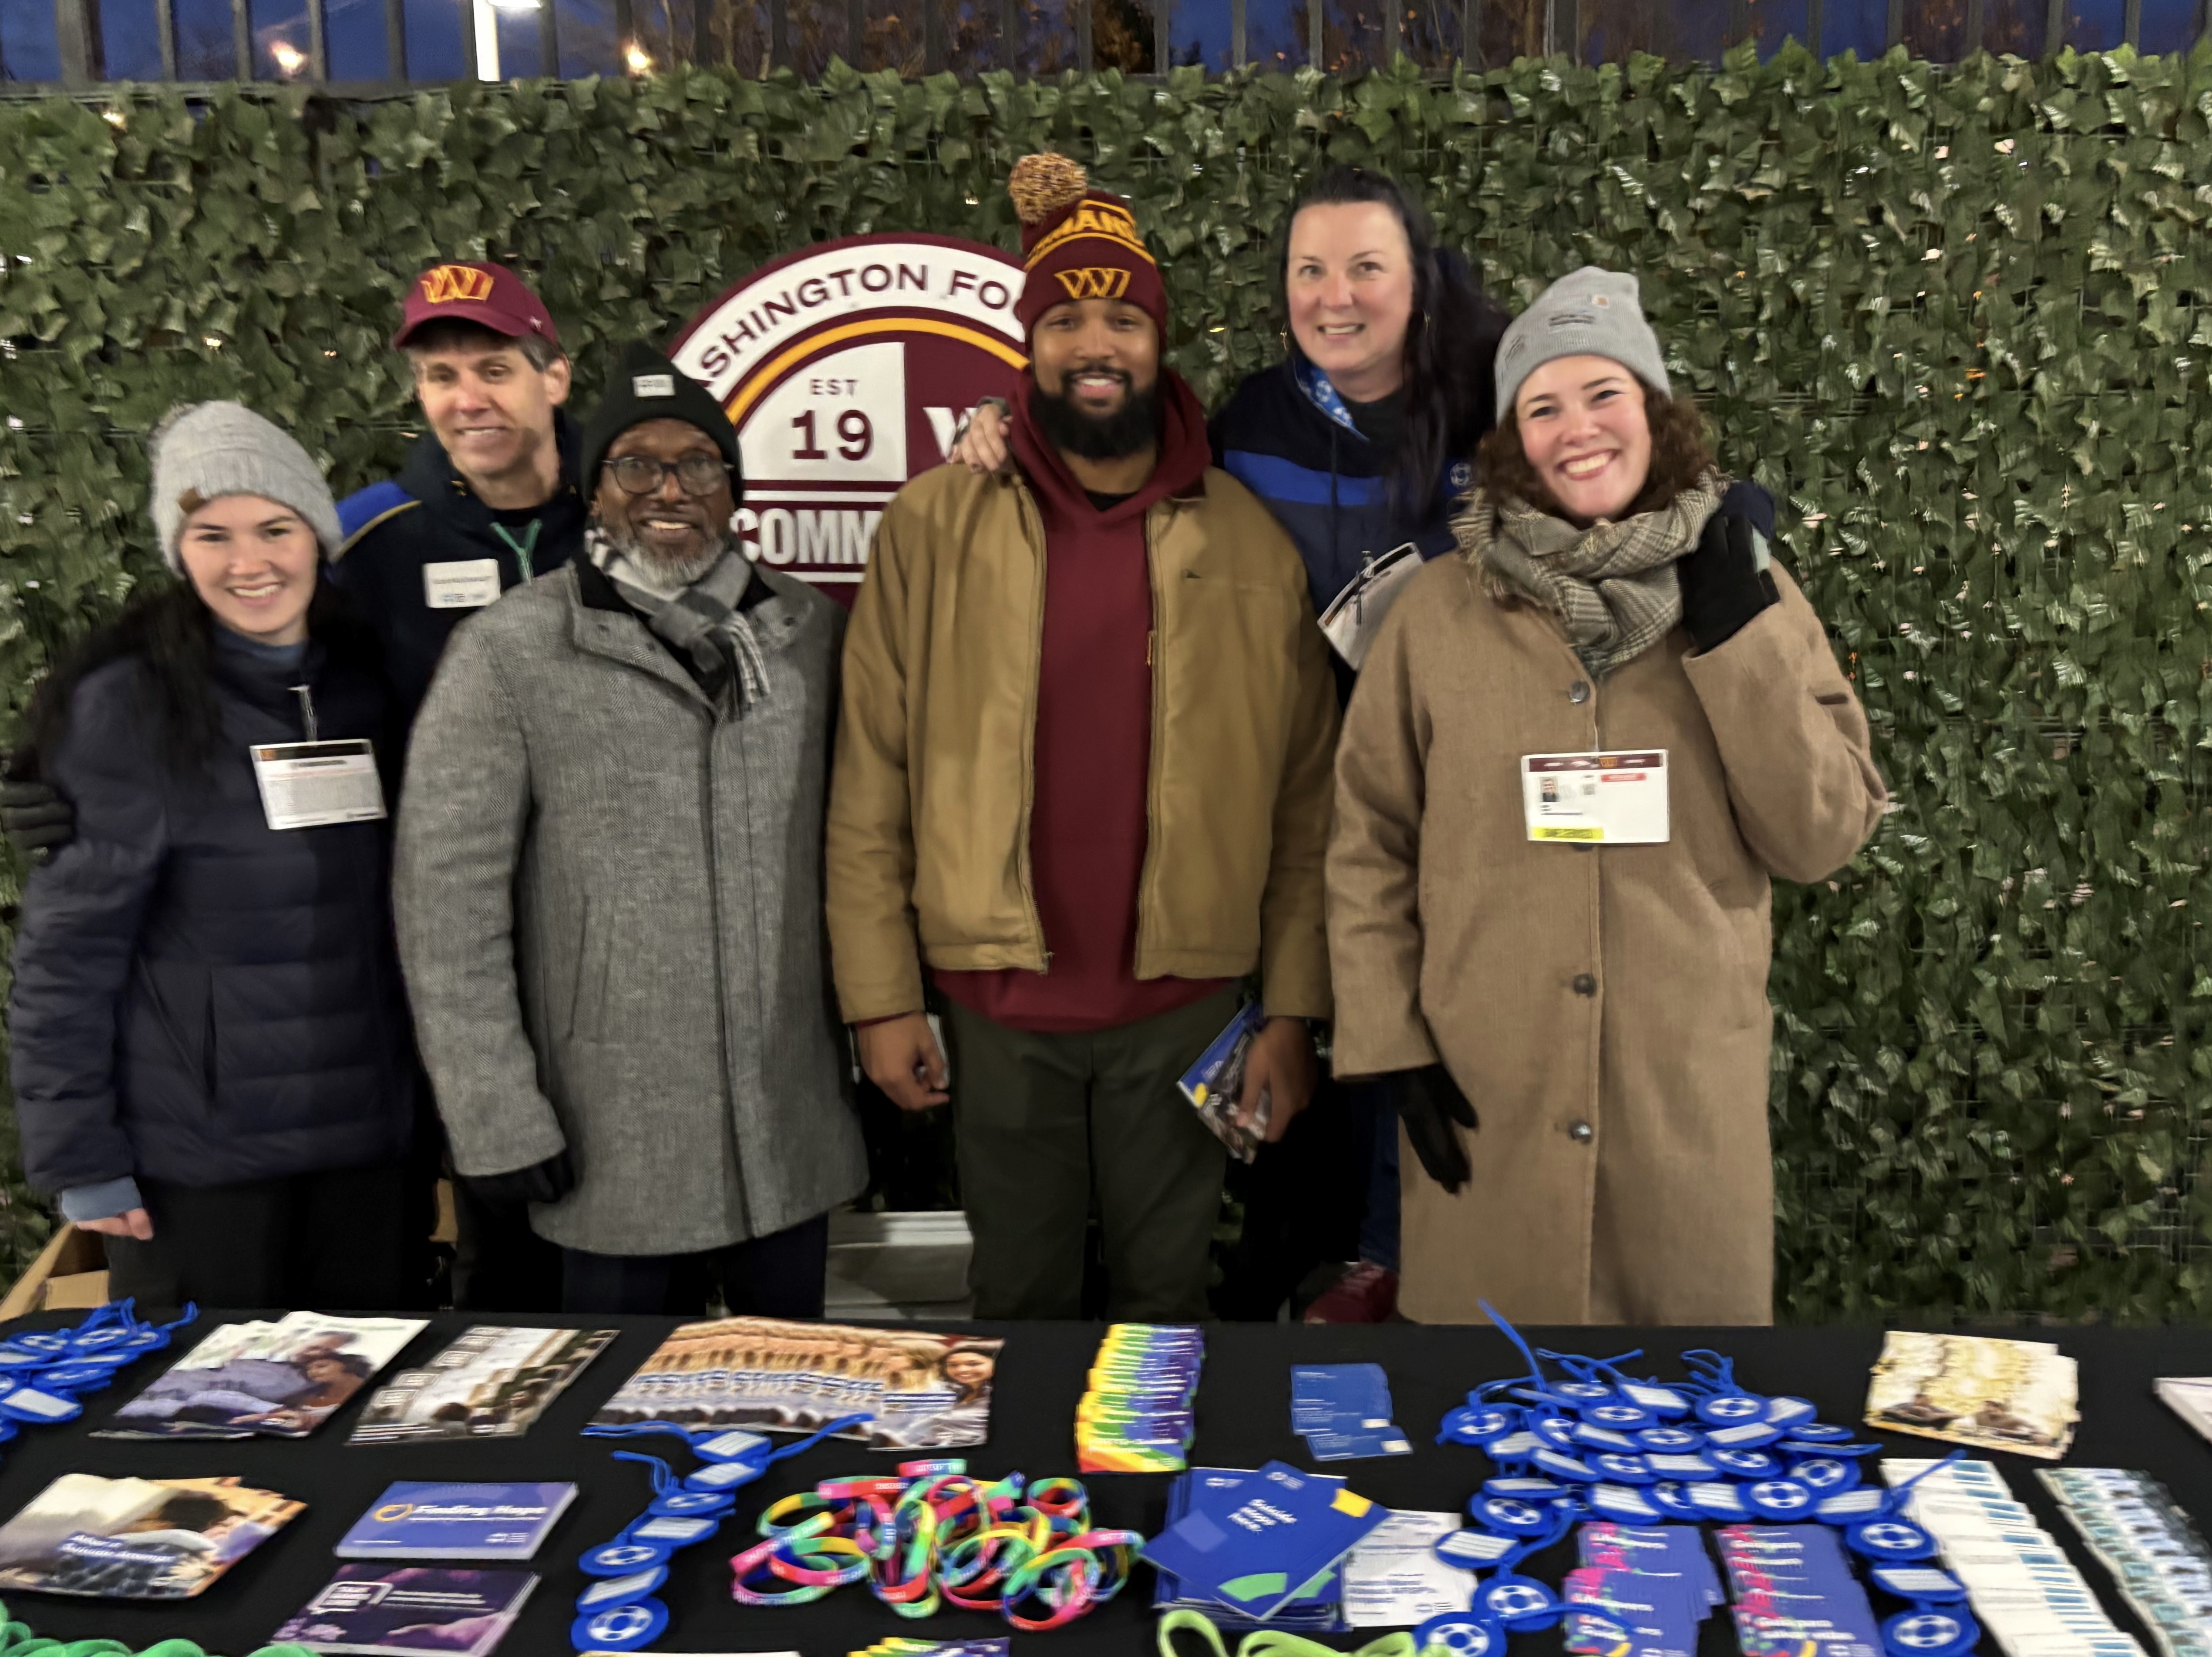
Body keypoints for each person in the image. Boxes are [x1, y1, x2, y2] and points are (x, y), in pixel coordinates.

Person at [946, 167, 1509, 1324]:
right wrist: (1000, 422)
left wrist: (1726, 518)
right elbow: (1116, 449)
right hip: (1306, 814)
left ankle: (1427, 1285)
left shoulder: (1491, 410)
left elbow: (1614, 459)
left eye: (1367, 267)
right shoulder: (1250, 425)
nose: (1335, 296)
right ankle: (1327, 1288)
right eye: (1310, 270)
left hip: (1468, 817)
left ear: (1420, 281)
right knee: (1313, 1074)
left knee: (1456, 1069)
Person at [827, 153, 1340, 1324]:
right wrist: (880, 999)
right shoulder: (933, 524)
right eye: (1063, 318)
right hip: (997, 1010)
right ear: (1028, 345)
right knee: (1017, 1304)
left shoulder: (1251, 546)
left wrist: (1296, 1012)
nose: (1092, 344)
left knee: (1167, 1310)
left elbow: (1308, 805)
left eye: (1121, 317)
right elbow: (873, 783)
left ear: (1159, 343)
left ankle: (1157, 1510)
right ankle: (1021, 1514)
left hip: (1189, 1012)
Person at [1326, 268, 1887, 1326]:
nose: (1576, 429)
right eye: (1542, 405)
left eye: (1605, 395)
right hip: (1490, 1101)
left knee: (1684, 1453)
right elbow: (1369, 836)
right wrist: (1391, 1040)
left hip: (1679, 1118)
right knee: (1483, 1437)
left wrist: (1736, 632)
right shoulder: (1439, 611)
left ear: (1656, 412)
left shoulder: (1749, 587)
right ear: (1510, 438)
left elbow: (1822, 835)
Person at [393, 340, 868, 1318]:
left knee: (795, 1402)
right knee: (611, 1418)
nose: (670, 488)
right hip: (610, 1134)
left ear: (732, 489)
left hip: (789, 1122)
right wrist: (495, 1112)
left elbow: (864, 847)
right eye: (636, 464)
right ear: (593, 487)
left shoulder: (809, 635)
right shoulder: (512, 650)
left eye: (698, 463)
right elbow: (446, 904)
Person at [7, 402, 421, 1311]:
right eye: (212, 534)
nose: (250, 563)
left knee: (361, 1424)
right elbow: (66, 959)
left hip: (366, 1154)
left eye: (276, 528)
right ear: (177, 549)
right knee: (198, 1435)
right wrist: (82, 1158)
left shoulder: (369, 686)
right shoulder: (131, 708)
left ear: (317, 534)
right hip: (203, 1167)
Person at [334, 259, 586, 1315]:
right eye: (441, 376)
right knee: (503, 1232)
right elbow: (236, 664)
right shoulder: (372, 535)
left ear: (554, 378)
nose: (467, 397)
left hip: (607, 935)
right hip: (463, 941)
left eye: (493, 368)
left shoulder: (627, 508)